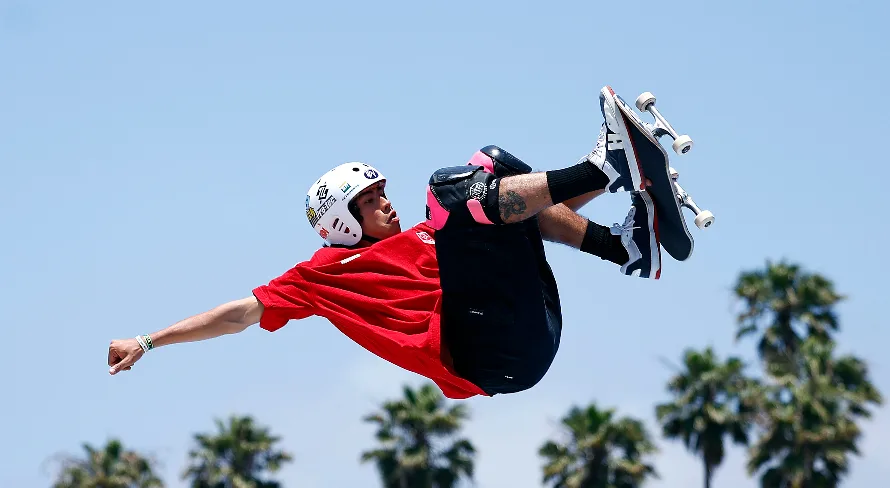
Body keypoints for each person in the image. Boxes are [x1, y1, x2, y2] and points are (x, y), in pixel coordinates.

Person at [107, 86, 662, 399]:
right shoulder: (317, 279)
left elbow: (530, 211)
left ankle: (625, 247)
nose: (387, 204)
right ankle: (606, 167)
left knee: (490, 171)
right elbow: (237, 315)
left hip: (527, 323)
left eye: (381, 194)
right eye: (371, 202)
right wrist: (151, 340)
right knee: (451, 191)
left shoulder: (432, 237)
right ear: (343, 222)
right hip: (493, 359)